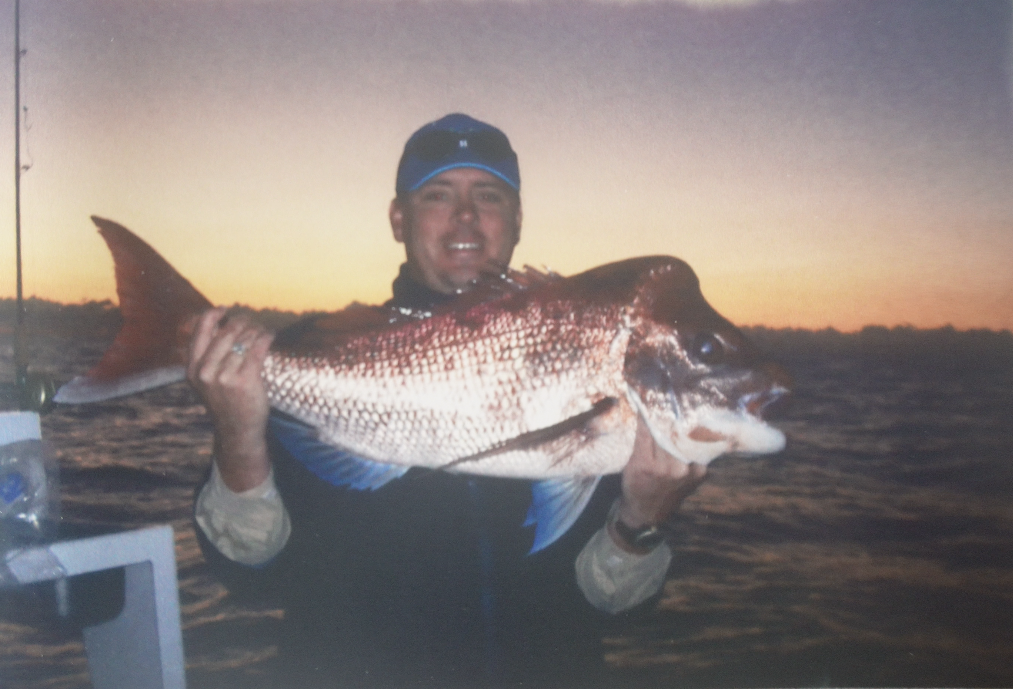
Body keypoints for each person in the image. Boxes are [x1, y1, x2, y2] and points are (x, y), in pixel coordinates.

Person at [189, 113, 707, 688]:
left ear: (516, 220)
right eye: (438, 194)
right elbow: (252, 577)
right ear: (398, 219)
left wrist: (640, 519)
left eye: (488, 195)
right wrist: (238, 439)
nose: (465, 215)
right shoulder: (306, 354)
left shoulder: (591, 360)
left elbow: (617, 612)